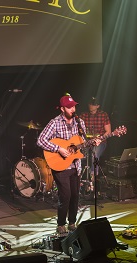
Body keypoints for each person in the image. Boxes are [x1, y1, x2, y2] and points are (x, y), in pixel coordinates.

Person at [37, 94, 101, 235]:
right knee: (65, 195)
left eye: (74, 106)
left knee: (75, 195)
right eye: (69, 107)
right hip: (60, 165)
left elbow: (82, 145)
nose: (73, 109)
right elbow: (40, 140)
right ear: (62, 109)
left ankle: (72, 222)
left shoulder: (80, 123)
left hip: (75, 165)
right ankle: (61, 224)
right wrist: (58, 148)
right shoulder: (54, 122)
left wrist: (93, 142)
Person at [79, 97, 111, 179]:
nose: (91, 106)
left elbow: (108, 131)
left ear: (98, 106)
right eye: (90, 104)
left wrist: (99, 139)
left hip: (100, 142)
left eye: (93, 104)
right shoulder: (83, 115)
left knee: (95, 154)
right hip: (86, 142)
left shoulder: (103, 115)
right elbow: (78, 130)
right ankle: (79, 177)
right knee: (79, 155)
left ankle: (93, 178)